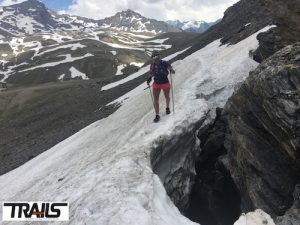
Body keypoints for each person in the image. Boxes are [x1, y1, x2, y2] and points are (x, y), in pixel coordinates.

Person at [147, 50, 175, 123]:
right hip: (156, 83)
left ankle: (167, 107)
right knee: (155, 99)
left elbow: (170, 68)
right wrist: (149, 78)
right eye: (153, 57)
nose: (155, 58)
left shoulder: (165, 63)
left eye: (156, 56)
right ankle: (157, 115)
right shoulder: (152, 65)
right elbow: (152, 73)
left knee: (167, 97)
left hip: (165, 82)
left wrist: (171, 70)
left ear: (159, 56)